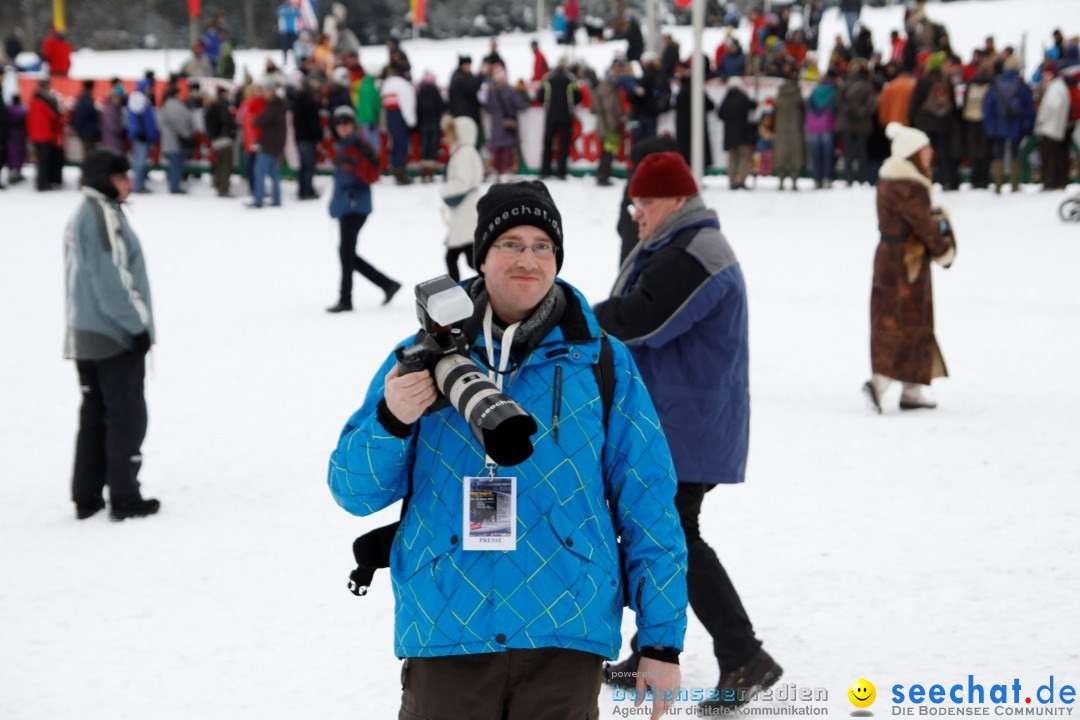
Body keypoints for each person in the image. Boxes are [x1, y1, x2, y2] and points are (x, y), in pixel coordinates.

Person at [328, 179, 688, 720]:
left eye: (543, 245)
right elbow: (352, 490)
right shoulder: (419, 356)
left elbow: (650, 503)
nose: (529, 259)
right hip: (450, 626)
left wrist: (661, 644)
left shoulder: (601, 363)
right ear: (482, 256)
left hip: (564, 632)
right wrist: (390, 418)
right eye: (511, 244)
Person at [592, 152, 780, 713]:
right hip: (678, 421)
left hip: (688, 426)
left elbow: (641, 318)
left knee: (675, 539)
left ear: (676, 200)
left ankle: (744, 654)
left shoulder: (697, 253)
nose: (638, 213)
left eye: (645, 203)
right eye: (634, 203)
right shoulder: (676, 246)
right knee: (660, 535)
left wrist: (573, 317)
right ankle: (649, 651)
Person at [65, 148, 161, 521]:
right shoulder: (100, 214)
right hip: (113, 336)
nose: (128, 183)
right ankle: (124, 495)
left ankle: (86, 494)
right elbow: (110, 279)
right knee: (126, 416)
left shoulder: (83, 214)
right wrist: (137, 327)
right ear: (104, 179)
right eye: (121, 177)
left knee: (95, 415)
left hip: (86, 332)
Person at [863, 123, 956, 414]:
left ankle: (911, 388)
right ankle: (881, 383)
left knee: (897, 318)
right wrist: (944, 248)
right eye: (925, 150)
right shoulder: (909, 185)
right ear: (913, 153)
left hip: (890, 257)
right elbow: (924, 226)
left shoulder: (891, 178)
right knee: (903, 321)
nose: (930, 155)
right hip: (907, 261)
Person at [325, 106, 401, 313]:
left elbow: (372, 173)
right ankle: (387, 284)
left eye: (346, 123)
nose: (343, 127)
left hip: (355, 207)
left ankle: (345, 299)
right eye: (339, 124)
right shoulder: (343, 145)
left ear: (353, 124)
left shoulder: (359, 145)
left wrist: (355, 167)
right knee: (346, 254)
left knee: (346, 254)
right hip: (346, 205)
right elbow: (340, 180)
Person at [438, 114, 483, 281]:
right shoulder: (467, 152)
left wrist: (444, 191)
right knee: (463, 257)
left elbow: (462, 182)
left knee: (455, 257)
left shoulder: (464, 154)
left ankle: (457, 294)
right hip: (466, 210)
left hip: (466, 211)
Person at [983, 55, 1035, 194]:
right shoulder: (1022, 86)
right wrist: (1028, 126)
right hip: (1016, 125)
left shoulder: (996, 84)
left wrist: (989, 126)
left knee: (998, 154)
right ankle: (1014, 184)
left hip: (998, 125)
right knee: (1014, 153)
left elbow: (988, 107)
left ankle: (998, 185)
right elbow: (1029, 109)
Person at [539, 58, 582, 179]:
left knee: (547, 143)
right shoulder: (570, 78)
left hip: (550, 115)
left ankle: (545, 171)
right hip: (565, 116)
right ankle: (561, 172)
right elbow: (578, 97)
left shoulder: (548, 78)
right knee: (563, 145)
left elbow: (540, 96)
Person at [486, 66, 527, 180]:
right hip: (507, 124)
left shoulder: (491, 90)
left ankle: (496, 172)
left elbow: (488, 107)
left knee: (496, 149)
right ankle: (506, 171)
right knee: (507, 149)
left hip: (495, 124)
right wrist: (527, 101)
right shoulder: (509, 90)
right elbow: (519, 104)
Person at [716, 77, 757, 190]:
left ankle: (731, 180)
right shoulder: (743, 97)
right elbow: (752, 106)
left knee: (732, 158)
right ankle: (741, 180)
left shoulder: (726, 99)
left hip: (729, 133)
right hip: (743, 133)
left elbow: (720, 114)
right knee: (745, 156)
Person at [1034, 70, 1071, 191]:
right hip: (1055, 127)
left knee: (1049, 158)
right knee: (1055, 157)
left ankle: (1050, 182)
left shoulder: (1055, 89)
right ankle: (1057, 181)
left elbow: (1051, 107)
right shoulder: (1059, 87)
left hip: (1050, 127)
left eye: (1046, 75)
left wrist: (1041, 119)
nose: (1044, 78)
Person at [250, 84, 286, 208]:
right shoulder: (280, 106)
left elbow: (258, 120)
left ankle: (258, 200)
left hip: (268, 145)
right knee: (273, 175)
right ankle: (277, 199)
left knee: (259, 172)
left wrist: (254, 120)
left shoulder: (272, 106)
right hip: (277, 145)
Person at [593, 60, 627, 187]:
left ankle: (601, 174)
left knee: (604, 151)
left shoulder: (599, 87)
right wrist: (622, 113)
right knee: (608, 152)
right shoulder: (614, 88)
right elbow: (615, 107)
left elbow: (593, 108)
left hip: (601, 123)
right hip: (610, 123)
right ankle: (603, 176)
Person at [380, 66, 416, 185]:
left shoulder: (386, 85)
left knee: (395, 146)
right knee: (402, 146)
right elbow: (407, 104)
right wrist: (411, 121)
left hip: (391, 119)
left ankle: (397, 171)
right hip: (400, 119)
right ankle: (400, 174)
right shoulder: (403, 85)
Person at [27, 77, 64, 191]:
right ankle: (42, 184)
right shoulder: (43, 102)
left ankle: (42, 182)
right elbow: (54, 115)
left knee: (41, 161)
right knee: (44, 161)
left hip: (35, 135)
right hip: (44, 135)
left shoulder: (33, 101)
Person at [772, 71, 806, 190]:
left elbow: (774, 112)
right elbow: (803, 109)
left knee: (781, 155)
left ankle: (781, 180)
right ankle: (794, 181)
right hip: (795, 129)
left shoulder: (779, 96)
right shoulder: (797, 95)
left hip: (781, 130)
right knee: (795, 155)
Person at [159, 86, 194, 194]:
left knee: (174, 165)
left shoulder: (167, 105)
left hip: (170, 140)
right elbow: (179, 123)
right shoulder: (175, 106)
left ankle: (174, 185)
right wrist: (186, 135)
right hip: (176, 140)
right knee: (176, 165)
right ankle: (174, 187)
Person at [127, 77, 159, 193]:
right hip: (141, 135)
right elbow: (140, 119)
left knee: (139, 161)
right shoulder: (138, 99)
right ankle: (137, 185)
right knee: (139, 161)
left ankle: (138, 184)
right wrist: (141, 132)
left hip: (142, 135)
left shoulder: (139, 98)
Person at [205, 86, 238, 197]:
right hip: (224, 138)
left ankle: (217, 184)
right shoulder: (224, 106)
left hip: (216, 139)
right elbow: (226, 121)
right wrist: (232, 131)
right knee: (225, 166)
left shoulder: (211, 105)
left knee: (219, 164)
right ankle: (223, 189)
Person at [806, 74, 837, 189]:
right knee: (828, 155)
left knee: (815, 155)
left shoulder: (813, 93)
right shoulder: (833, 93)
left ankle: (817, 179)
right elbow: (834, 110)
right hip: (827, 127)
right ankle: (827, 178)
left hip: (813, 128)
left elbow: (808, 107)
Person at [415, 71, 445, 183]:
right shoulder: (435, 91)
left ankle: (424, 173)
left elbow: (416, 109)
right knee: (432, 148)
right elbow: (441, 106)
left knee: (424, 148)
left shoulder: (420, 92)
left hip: (423, 124)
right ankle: (431, 173)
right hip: (434, 124)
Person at [71, 80, 102, 153]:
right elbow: (80, 117)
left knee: (90, 154)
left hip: (88, 132)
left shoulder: (85, 99)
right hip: (87, 133)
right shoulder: (85, 100)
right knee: (89, 155)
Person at [276, 0, 302, 66]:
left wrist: (295, 8)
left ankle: (296, 61)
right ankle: (285, 61)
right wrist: (290, 10)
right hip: (285, 31)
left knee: (295, 47)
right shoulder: (282, 8)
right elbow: (280, 14)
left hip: (294, 31)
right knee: (285, 47)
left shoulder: (294, 8)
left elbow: (300, 14)